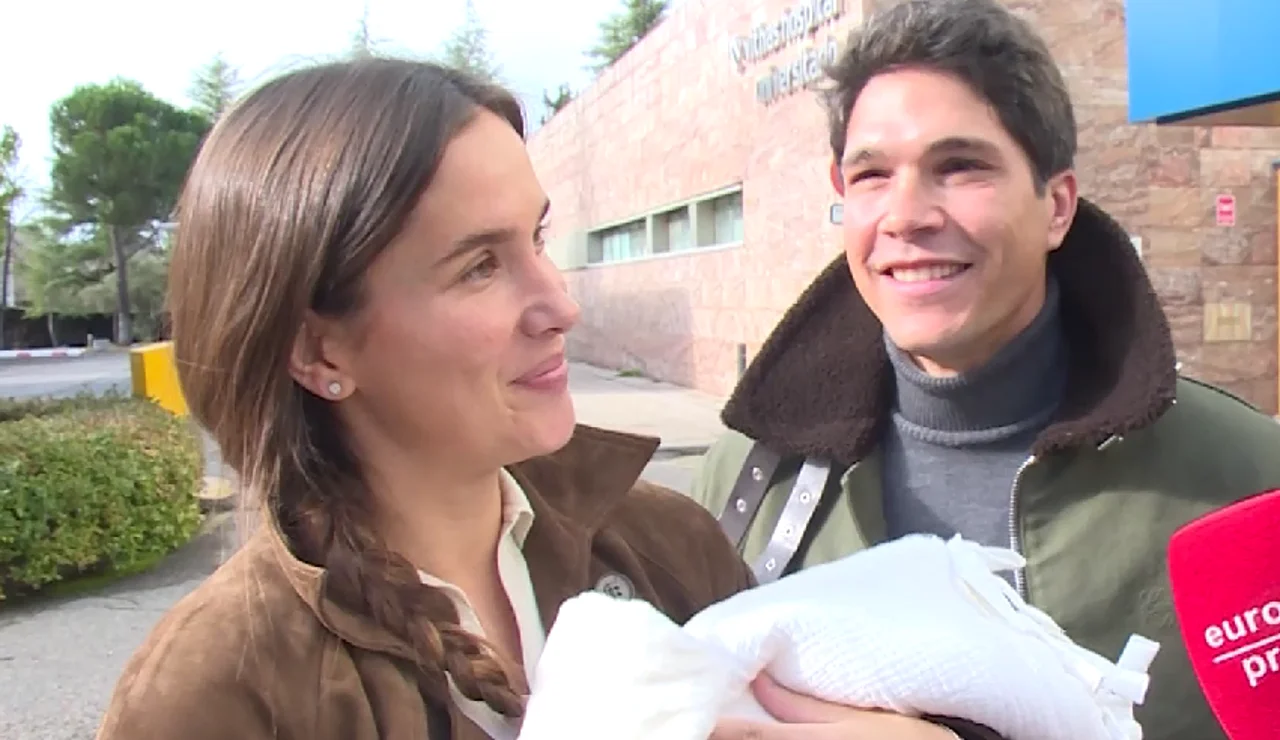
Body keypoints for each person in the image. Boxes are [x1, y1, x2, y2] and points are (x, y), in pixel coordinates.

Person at [94, 59, 985, 740]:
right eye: (480, 265)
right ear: (315, 346)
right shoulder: (219, 687)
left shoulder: (663, 546)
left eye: (538, 238)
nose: (560, 304)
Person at [690, 1, 1280, 739]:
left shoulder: (1244, 477)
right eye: (872, 174)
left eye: (960, 166)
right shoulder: (749, 483)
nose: (905, 214)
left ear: (1057, 205)